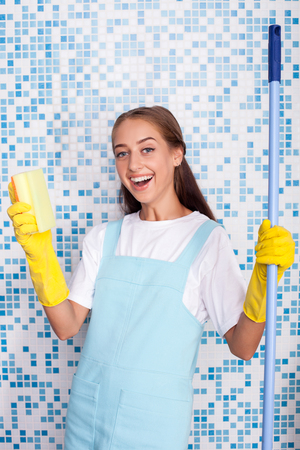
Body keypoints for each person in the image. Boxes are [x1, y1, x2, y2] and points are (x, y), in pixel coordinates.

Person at [7, 106, 295, 450]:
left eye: (147, 149)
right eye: (121, 153)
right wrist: (40, 256)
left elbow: (243, 346)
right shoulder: (104, 238)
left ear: (177, 154)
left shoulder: (207, 239)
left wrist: (262, 280)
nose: (133, 165)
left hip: (155, 426)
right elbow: (67, 326)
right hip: (87, 413)